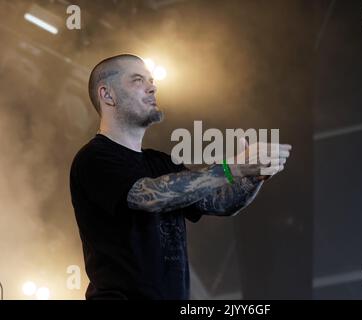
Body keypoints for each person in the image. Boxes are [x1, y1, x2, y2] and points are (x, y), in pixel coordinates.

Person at [69, 54, 292, 300]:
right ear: (107, 95)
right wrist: (232, 168)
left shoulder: (160, 162)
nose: (152, 87)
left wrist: (252, 176)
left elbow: (220, 202)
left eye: (151, 80)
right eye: (137, 80)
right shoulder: (93, 158)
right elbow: (147, 196)